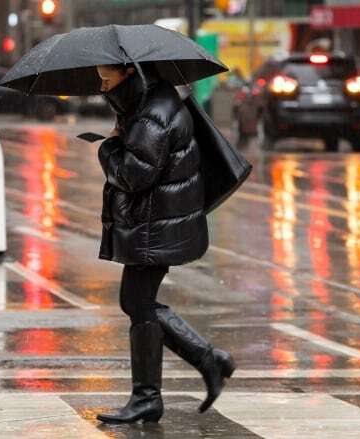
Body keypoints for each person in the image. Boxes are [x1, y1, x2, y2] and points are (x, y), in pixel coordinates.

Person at [94, 63, 235, 424]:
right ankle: (167, 385)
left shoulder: (152, 113)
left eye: (106, 79)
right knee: (137, 302)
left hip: (155, 225)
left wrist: (108, 147)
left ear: (128, 73)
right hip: (156, 221)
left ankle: (190, 370)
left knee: (137, 302)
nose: (101, 85)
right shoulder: (152, 104)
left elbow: (132, 173)